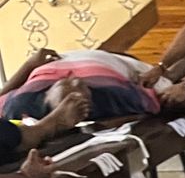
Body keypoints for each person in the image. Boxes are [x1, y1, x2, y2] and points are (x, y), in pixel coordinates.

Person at [0, 48, 160, 122]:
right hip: (103, 61)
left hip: (94, 60)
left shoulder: (19, 105)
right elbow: (154, 100)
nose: (75, 80)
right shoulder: (117, 95)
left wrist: (29, 65)